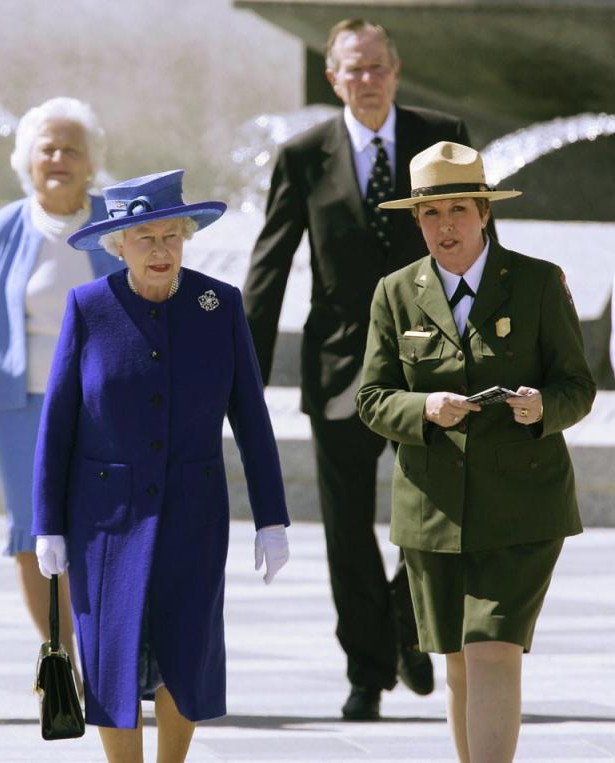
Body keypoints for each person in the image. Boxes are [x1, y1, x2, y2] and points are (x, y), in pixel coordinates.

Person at [242, 17, 477, 719]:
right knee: (346, 529)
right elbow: (270, 265)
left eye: (378, 67)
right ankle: (367, 669)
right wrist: (241, 374)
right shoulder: (303, 154)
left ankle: (405, 618)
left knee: (437, 514)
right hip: (341, 363)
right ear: (332, 77)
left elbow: (475, 233)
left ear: (396, 70)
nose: (367, 80)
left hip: (434, 361)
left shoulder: (444, 136)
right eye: (354, 68)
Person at [33, 169, 291, 763]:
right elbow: (59, 423)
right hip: (104, 518)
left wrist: (271, 519)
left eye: (170, 235)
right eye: (144, 237)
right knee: (110, 652)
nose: (160, 250)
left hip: (194, 510)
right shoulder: (89, 307)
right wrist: (46, 523)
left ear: (187, 237)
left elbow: (251, 417)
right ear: (117, 245)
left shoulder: (217, 305)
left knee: (186, 645)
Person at [357, 141, 595, 762]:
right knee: (460, 661)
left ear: (484, 213)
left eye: (458, 210)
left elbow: (579, 386)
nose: (446, 226)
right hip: (435, 510)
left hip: (523, 505)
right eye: (430, 214)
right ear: (415, 221)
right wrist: (424, 409)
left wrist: (543, 407)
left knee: (494, 649)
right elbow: (373, 398)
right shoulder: (394, 292)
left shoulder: (539, 283)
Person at [0, 97, 121, 672]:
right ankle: (63, 659)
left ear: (91, 161)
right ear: (27, 159)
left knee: (103, 530)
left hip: (103, 405)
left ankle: (105, 654)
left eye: (72, 148)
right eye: (47, 148)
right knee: (32, 533)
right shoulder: (2, 229)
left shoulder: (115, 227)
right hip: (20, 407)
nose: (59, 158)